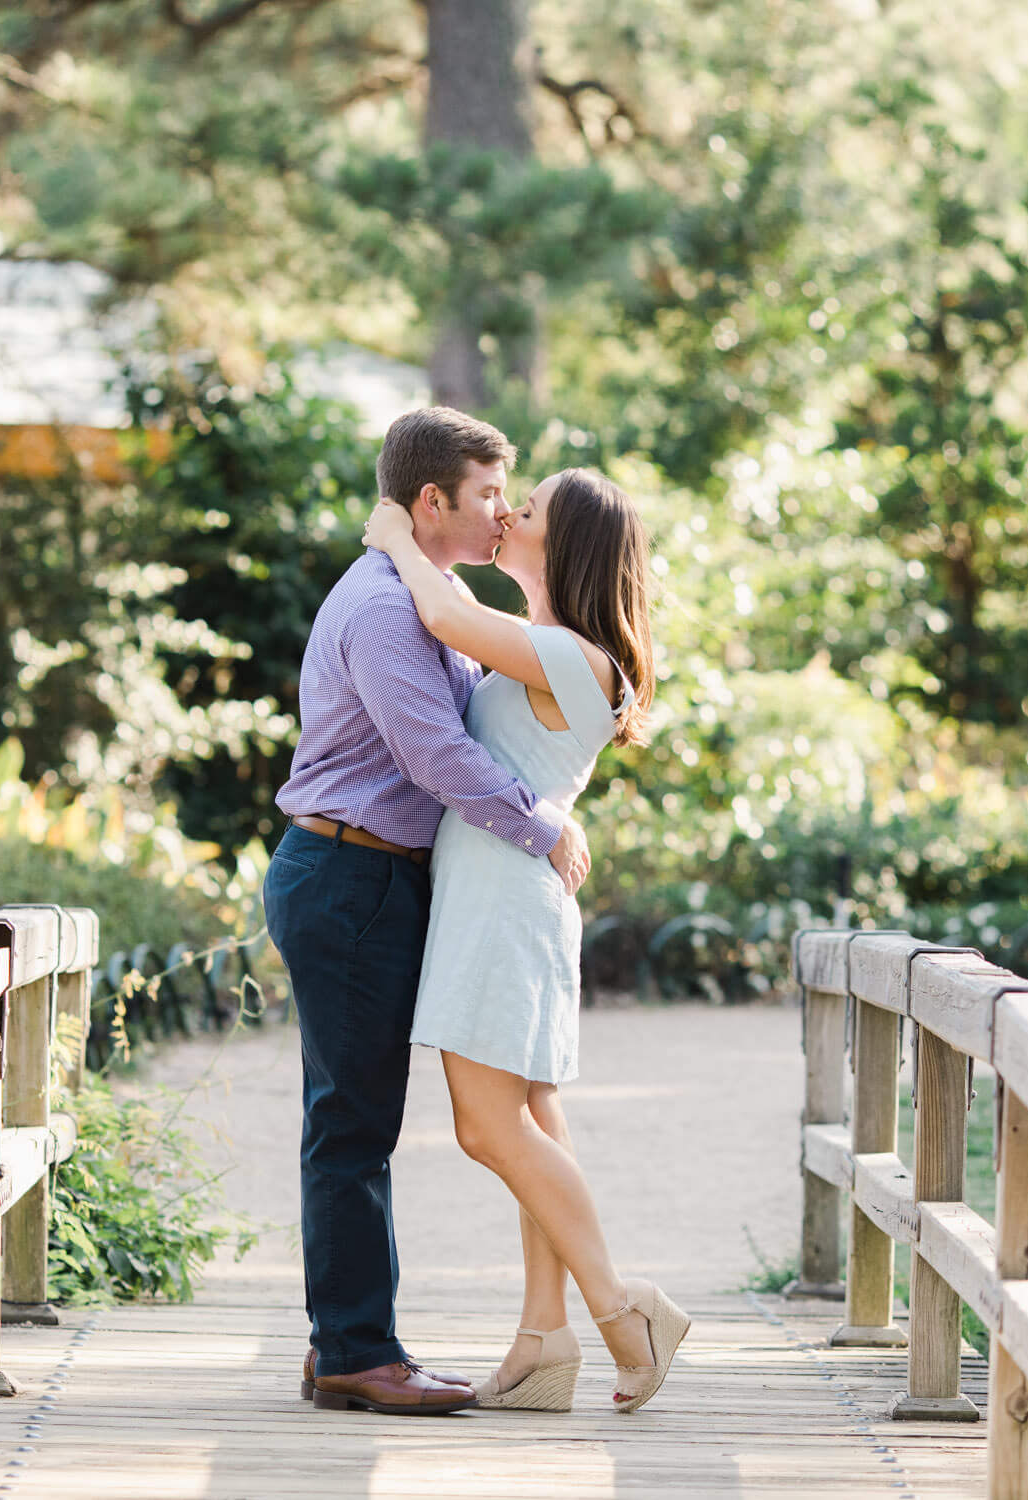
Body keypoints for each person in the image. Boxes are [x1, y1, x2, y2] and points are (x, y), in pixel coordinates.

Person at [265, 406, 594, 1417]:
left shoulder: (431, 593)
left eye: (510, 496)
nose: (501, 511)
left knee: (357, 1118)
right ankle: (358, 1353)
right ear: (429, 501)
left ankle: (348, 1346)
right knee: (352, 1125)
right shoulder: (382, 607)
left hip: (375, 877)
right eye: (489, 493)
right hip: (348, 873)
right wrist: (542, 827)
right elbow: (436, 756)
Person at [360, 464, 688, 1414]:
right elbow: (462, 624)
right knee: (533, 1119)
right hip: (505, 894)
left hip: (505, 902)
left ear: (567, 541)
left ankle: (622, 1307)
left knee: (486, 1124)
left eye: (529, 508)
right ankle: (545, 1338)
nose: (507, 512)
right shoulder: (554, 647)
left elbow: (445, 622)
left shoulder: (577, 658)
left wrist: (393, 542)